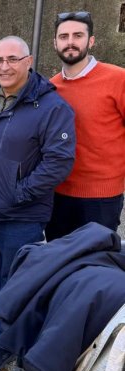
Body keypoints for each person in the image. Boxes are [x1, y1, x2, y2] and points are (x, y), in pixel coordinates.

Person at [0, 36, 75, 371]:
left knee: (17, 281)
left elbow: (59, 161)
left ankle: (8, 341)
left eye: (12, 59)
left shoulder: (52, 107)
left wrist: (19, 193)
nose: (4, 66)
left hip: (20, 213)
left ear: (29, 61)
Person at [45, 11, 125, 241]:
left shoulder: (118, 79)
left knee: (95, 266)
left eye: (77, 35)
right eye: (64, 36)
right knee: (59, 264)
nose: (70, 42)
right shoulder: (51, 87)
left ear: (90, 40)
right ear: (55, 43)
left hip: (102, 198)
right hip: (58, 194)